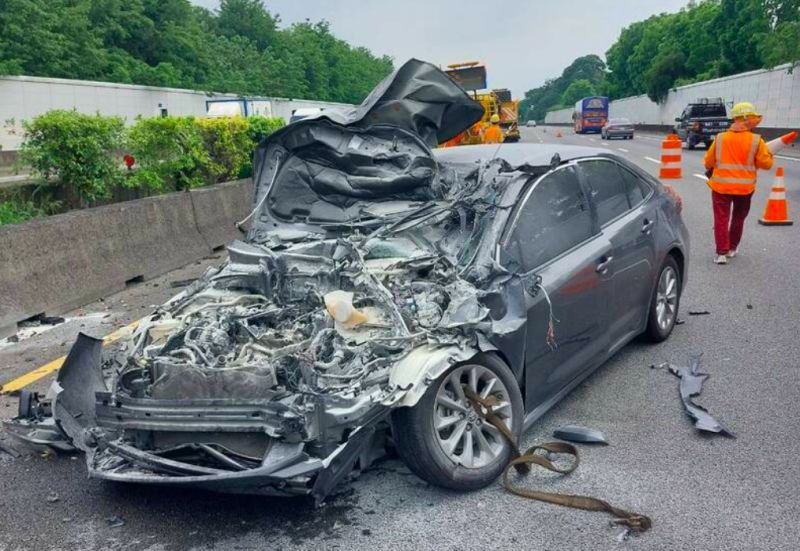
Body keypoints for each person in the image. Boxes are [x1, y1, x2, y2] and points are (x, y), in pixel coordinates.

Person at [703, 101, 773, 264]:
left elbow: (708, 162)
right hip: (745, 189)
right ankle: (732, 249)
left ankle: (721, 254)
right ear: (749, 119)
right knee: (738, 219)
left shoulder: (720, 138)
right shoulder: (757, 140)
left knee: (721, 219)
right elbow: (766, 164)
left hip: (721, 187)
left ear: (735, 119)